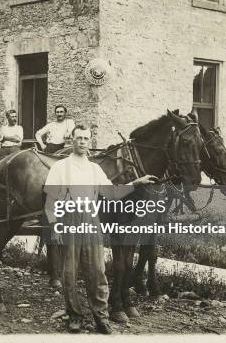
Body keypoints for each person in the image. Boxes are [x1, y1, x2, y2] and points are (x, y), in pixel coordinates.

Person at [43, 124, 155, 334]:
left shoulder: (95, 169)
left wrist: (137, 183)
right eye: (79, 138)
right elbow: (51, 201)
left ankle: (101, 317)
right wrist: (54, 226)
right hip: (69, 219)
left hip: (91, 220)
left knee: (97, 271)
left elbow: (112, 193)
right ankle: (74, 315)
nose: (82, 142)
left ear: (90, 142)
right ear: (71, 140)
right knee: (70, 272)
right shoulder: (60, 167)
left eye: (86, 138)